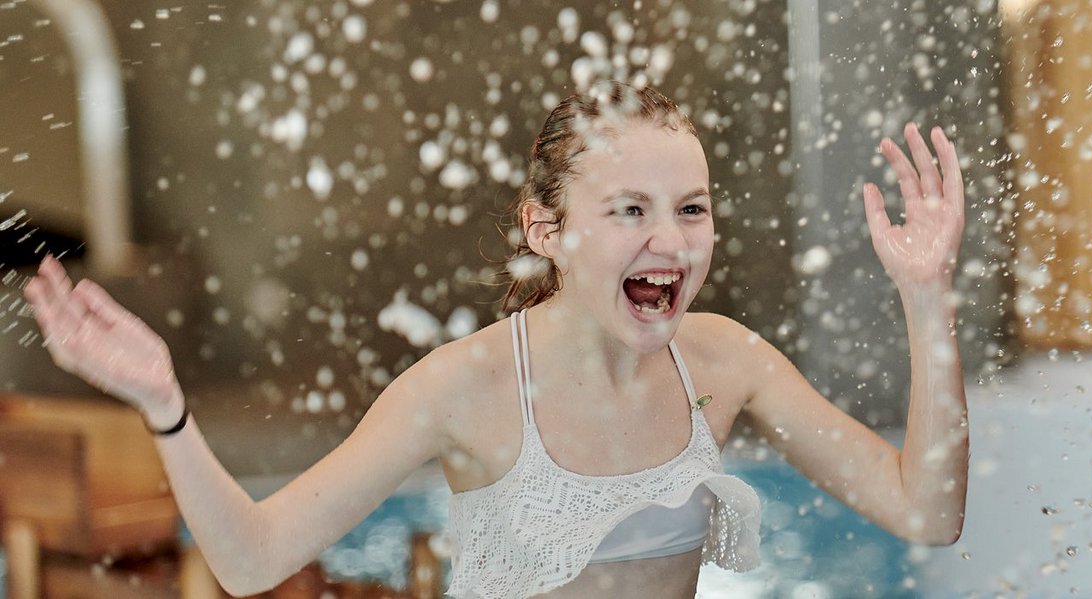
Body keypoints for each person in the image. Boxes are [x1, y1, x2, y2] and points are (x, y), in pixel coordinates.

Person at [23, 81, 971, 598]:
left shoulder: (724, 364)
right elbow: (253, 559)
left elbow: (927, 513)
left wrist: (927, 303)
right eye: (630, 209)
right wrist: (166, 405)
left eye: (692, 209)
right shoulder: (463, 388)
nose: (672, 241)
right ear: (545, 229)